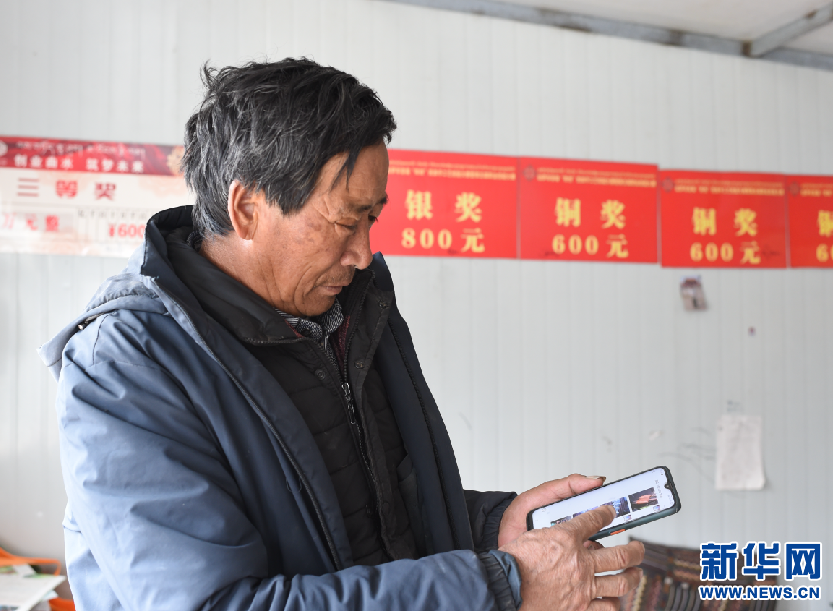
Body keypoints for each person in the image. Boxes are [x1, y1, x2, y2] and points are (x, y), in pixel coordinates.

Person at [40, 58, 644, 611]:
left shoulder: (348, 313)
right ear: (247, 209)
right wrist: (500, 584)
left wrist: (495, 529)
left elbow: (370, 520)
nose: (362, 253)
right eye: (345, 220)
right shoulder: (125, 367)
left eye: (373, 217)